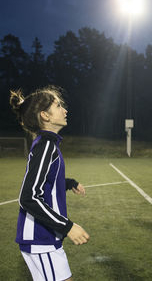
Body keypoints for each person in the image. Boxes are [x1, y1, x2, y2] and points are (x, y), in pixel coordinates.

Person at [9, 86, 89, 281]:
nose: (65, 110)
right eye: (59, 105)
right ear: (45, 115)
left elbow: (46, 181)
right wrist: (68, 226)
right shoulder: (45, 145)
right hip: (40, 237)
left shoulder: (47, 144)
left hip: (44, 238)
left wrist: (69, 183)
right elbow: (28, 197)